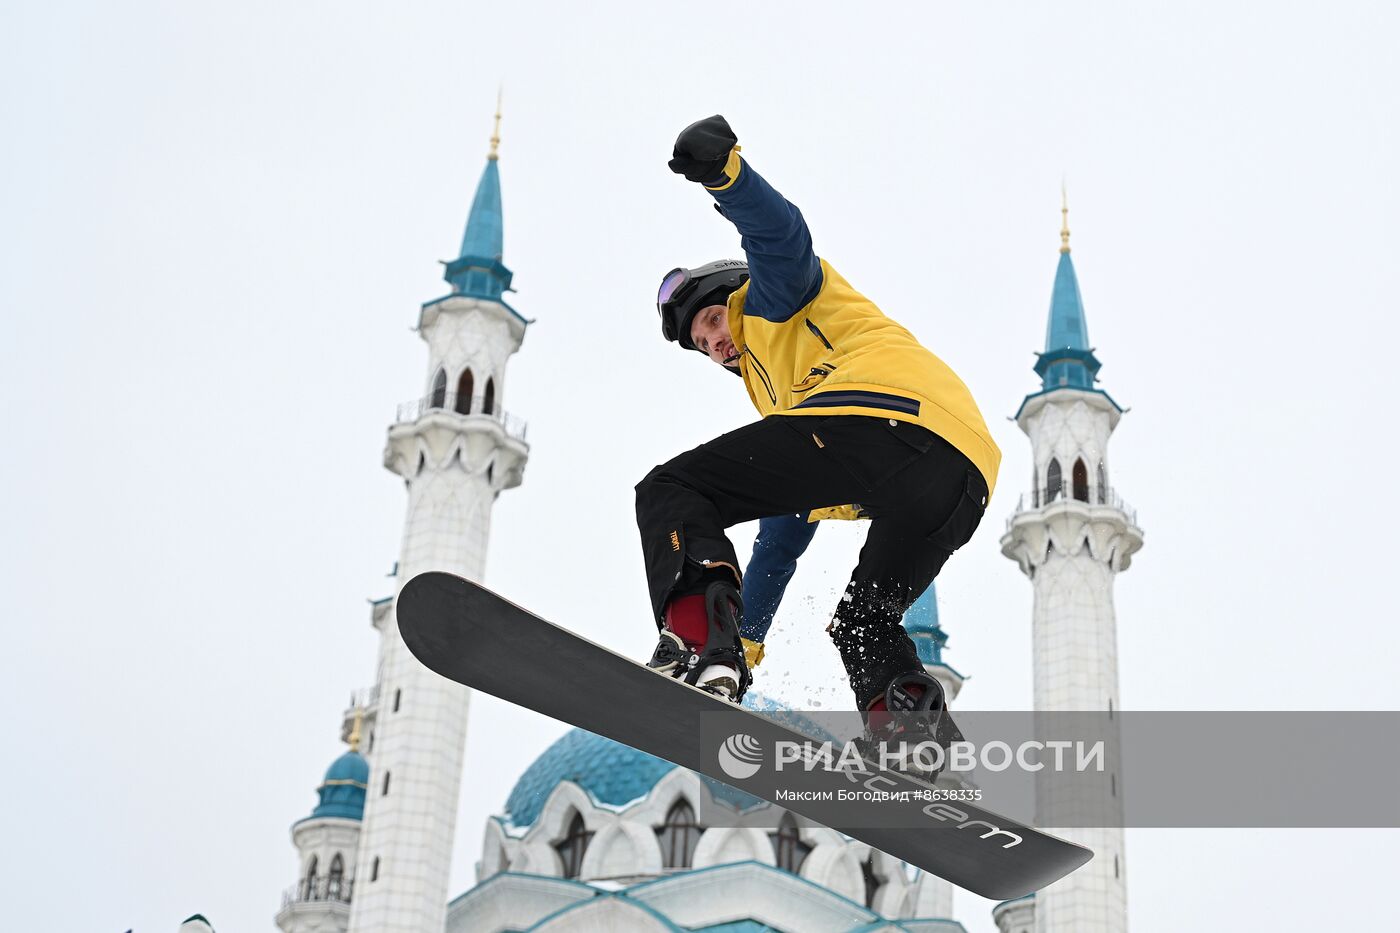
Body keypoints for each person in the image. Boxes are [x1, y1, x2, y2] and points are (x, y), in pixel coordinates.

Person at [637, 115, 1000, 742]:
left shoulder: (774, 300)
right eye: (704, 344)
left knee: (671, 490)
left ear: (736, 294)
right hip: (961, 474)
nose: (719, 344)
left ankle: (694, 641)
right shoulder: (786, 397)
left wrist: (727, 177)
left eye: (715, 321)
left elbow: (780, 235)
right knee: (864, 618)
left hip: (882, 418)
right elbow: (780, 542)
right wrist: (747, 650)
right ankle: (911, 738)